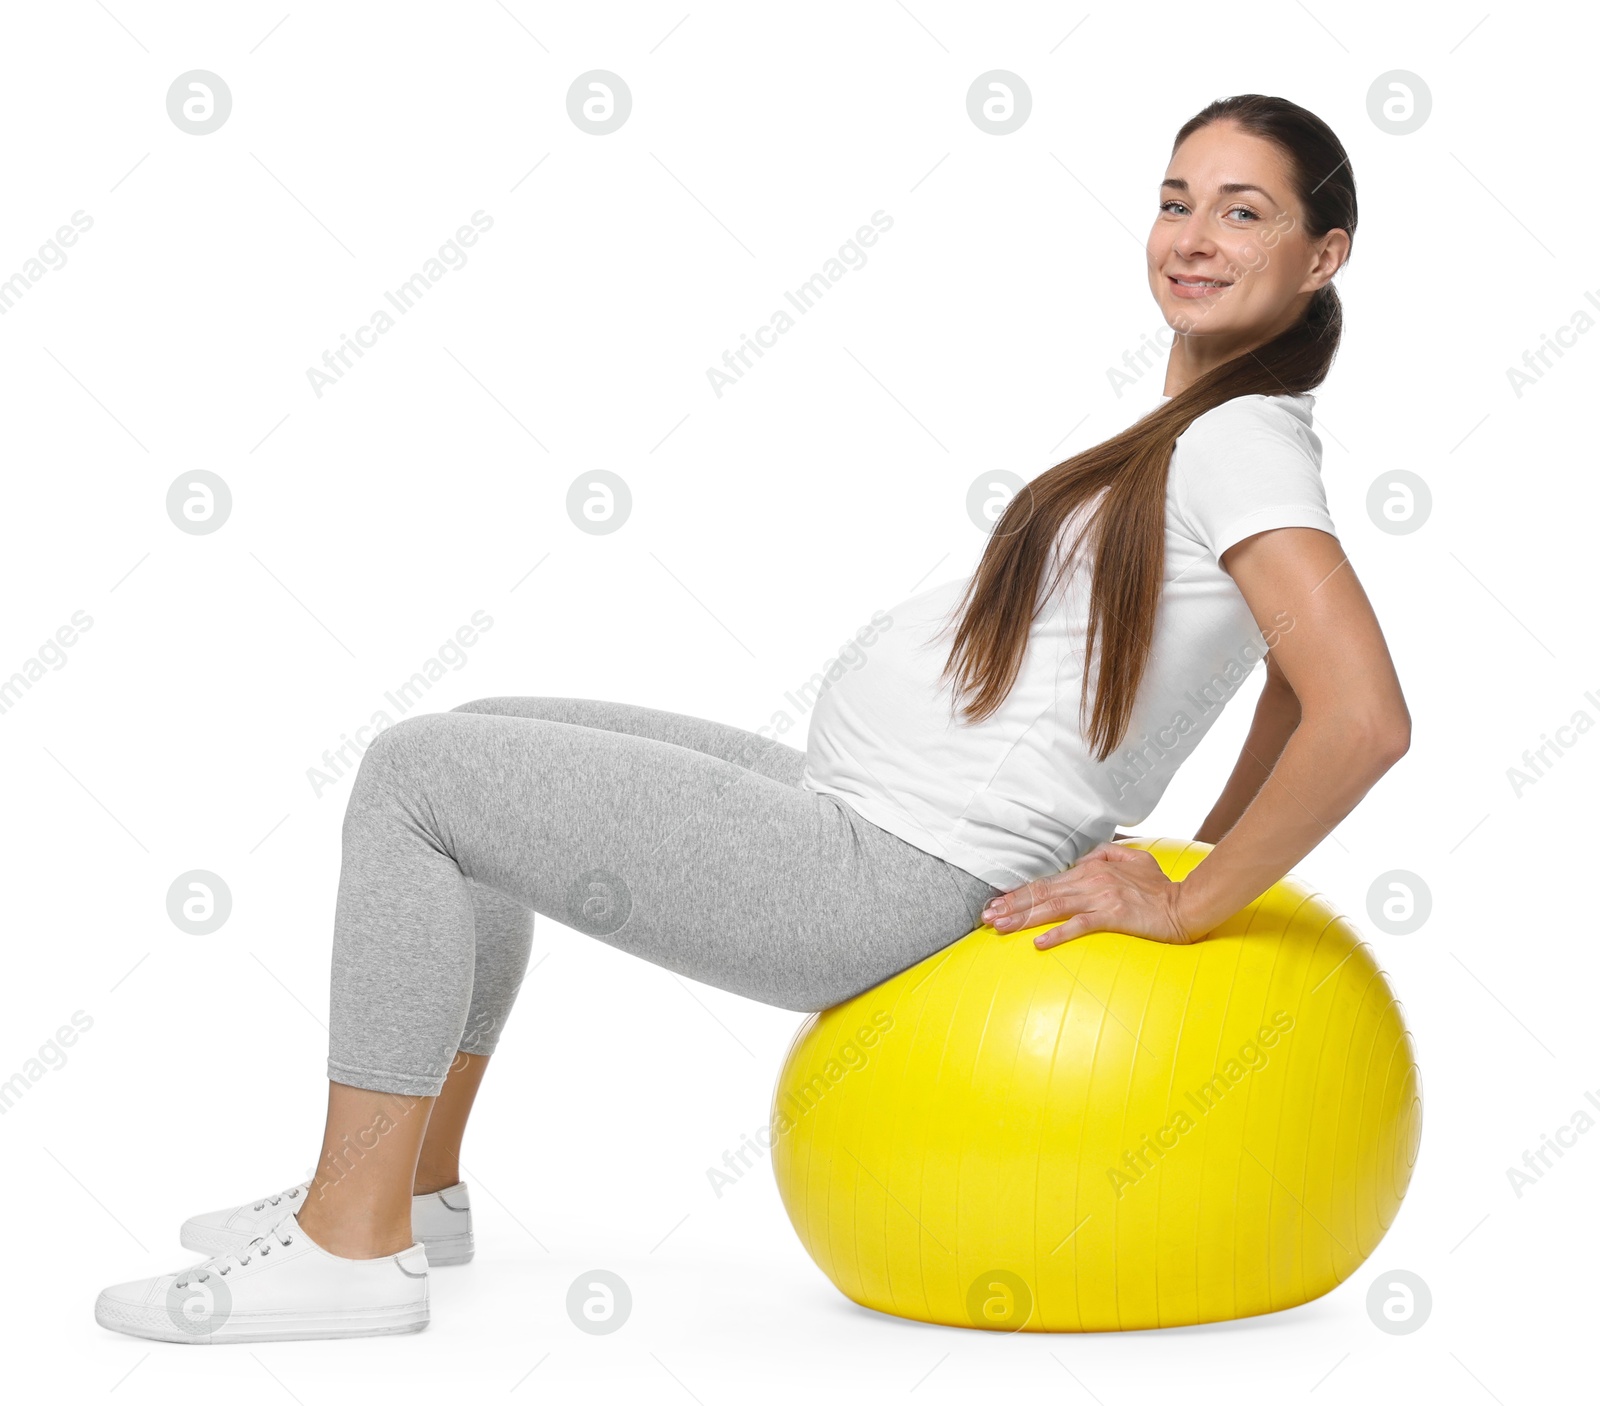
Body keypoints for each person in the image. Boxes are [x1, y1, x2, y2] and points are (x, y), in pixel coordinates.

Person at [94, 92, 1409, 1343]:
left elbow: (1359, 710)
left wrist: (1193, 898)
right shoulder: (1205, 432)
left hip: (893, 870)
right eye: (1177, 200)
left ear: (1321, 253)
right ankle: (411, 1188)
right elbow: (1292, 678)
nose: (1192, 237)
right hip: (860, 816)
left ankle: (349, 1246)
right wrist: (1185, 849)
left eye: (1244, 212)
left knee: (415, 778)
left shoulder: (1244, 440)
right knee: (478, 732)